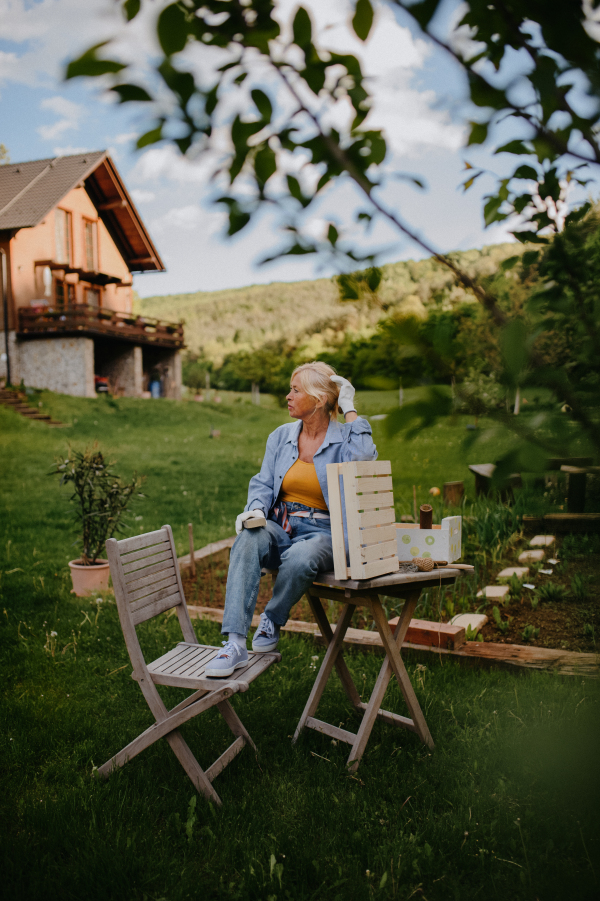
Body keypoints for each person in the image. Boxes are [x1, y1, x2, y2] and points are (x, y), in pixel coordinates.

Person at [205, 361, 377, 677]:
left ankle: (272, 617)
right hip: (282, 525)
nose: (288, 396)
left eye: (295, 390)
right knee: (248, 537)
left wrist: (350, 408)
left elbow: (364, 460)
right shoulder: (281, 436)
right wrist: (255, 509)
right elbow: (263, 481)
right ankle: (235, 644)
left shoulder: (344, 439)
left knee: (302, 557)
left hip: (325, 532)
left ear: (321, 399)